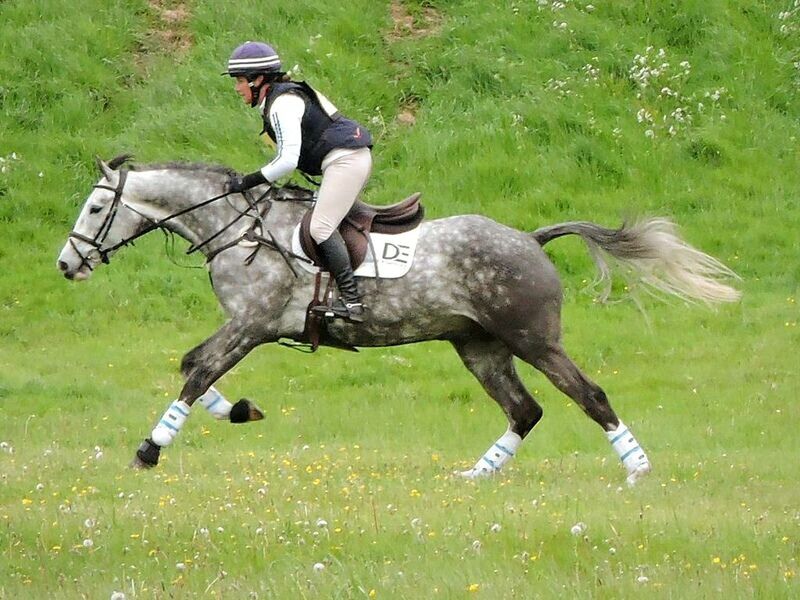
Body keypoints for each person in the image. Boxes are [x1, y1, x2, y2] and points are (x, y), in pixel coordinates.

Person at [223, 41, 373, 322]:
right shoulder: (279, 99)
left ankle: (353, 303)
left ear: (258, 80)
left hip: (345, 161)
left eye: (241, 81)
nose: (237, 88)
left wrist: (248, 181)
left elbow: (288, 160)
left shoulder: (283, 104)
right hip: (343, 159)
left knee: (320, 227)